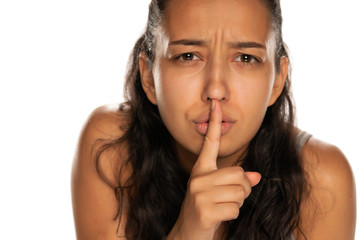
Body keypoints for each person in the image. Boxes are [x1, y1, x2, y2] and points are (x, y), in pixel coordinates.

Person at [71, 0, 356, 239]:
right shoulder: (112, 146)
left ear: (279, 79)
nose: (216, 90)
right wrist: (188, 232)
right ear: (148, 76)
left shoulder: (322, 180)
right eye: (188, 56)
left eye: (245, 58)